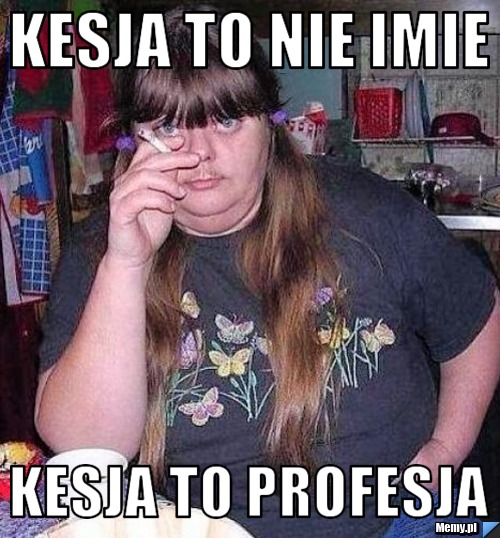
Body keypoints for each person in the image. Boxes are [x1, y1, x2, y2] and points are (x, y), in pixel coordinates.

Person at [35, 5, 500, 537]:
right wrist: (127, 263)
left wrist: (445, 449)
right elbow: (86, 451)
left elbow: (475, 318)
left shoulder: (367, 211)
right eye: (168, 126)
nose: (199, 153)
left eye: (227, 120)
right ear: (134, 138)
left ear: (272, 124)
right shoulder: (102, 248)